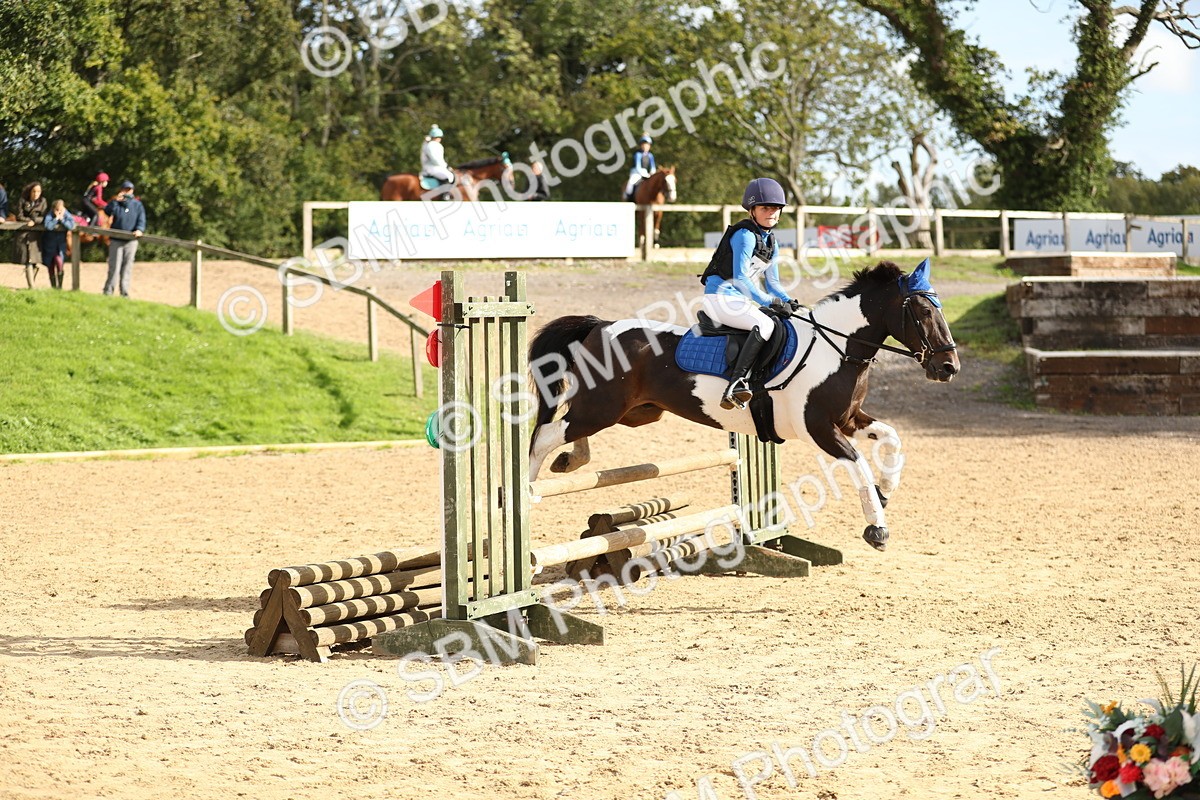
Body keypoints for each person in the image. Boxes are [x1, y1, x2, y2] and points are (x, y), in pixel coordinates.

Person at [698, 177, 798, 410]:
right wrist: (769, 302)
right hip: (719, 298)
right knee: (765, 325)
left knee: (784, 321)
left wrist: (789, 302)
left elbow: (773, 283)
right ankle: (736, 384)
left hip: (740, 301)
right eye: (765, 208)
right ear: (752, 210)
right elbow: (741, 278)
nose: (771, 212)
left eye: (776, 208)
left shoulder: (772, 243)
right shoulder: (745, 235)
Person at [101, 180, 146, 298]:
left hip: (131, 241)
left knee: (127, 268)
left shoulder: (137, 205)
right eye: (125, 189)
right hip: (116, 240)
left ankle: (124, 293)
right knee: (114, 267)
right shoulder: (116, 203)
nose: (127, 192)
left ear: (132, 191)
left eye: (129, 190)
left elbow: (141, 219)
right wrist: (116, 201)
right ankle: (108, 292)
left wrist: (139, 229)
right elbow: (107, 211)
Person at [13, 182, 48, 288]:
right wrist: (28, 221)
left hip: (36, 236)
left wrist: (35, 221)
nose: (36, 193)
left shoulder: (43, 201)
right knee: (27, 260)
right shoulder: (23, 201)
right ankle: (32, 286)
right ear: (30, 191)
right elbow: (19, 216)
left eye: (38, 191)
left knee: (34, 261)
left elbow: (44, 217)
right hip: (23, 234)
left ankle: (31, 284)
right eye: (34, 191)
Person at [42, 199, 76, 290]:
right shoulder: (49, 215)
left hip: (60, 245)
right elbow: (48, 226)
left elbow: (71, 226)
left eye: (61, 210)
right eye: (57, 210)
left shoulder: (66, 214)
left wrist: (62, 220)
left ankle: (60, 287)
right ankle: (53, 287)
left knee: (59, 263)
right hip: (49, 245)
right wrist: (56, 219)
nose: (59, 212)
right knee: (50, 265)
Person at [623, 135, 656, 201]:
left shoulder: (650, 155)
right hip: (636, 173)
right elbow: (638, 167)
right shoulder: (638, 154)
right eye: (644, 145)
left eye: (647, 145)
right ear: (641, 145)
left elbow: (653, 167)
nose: (645, 146)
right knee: (631, 183)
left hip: (646, 173)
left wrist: (652, 173)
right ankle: (627, 196)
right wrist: (644, 174)